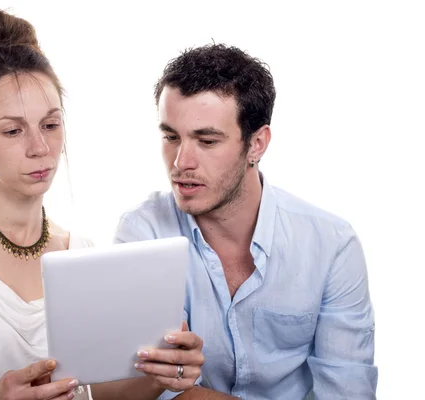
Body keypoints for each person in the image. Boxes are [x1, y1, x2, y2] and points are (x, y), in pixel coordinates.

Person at [0, 8, 203, 400]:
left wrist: (161, 375)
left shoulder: (80, 252)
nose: (40, 148)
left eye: (50, 125)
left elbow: (93, 392)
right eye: (13, 130)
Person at [114, 44, 378, 399]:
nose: (181, 162)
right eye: (170, 137)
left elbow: (347, 392)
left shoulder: (331, 245)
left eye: (206, 140)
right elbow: (146, 389)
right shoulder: (143, 232)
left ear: (257, 144)